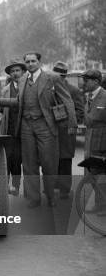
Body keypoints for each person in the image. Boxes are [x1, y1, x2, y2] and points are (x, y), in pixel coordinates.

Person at [0, 52, 77, 208]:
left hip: (45, 124)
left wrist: (72, 123)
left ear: (39, 62)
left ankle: (50, 195)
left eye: (33, 61)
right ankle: (33, 198)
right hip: (26, 126)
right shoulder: (22, 80)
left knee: (49, 162)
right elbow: (18, 101)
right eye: (27, 61)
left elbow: (67, 99)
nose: (30, 64)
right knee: (29, 164)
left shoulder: (52, 78)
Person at [52, 61, 85, 199]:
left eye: (61, 76)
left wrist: (67, 119)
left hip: (65, 131)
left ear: (64, 76)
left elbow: (80, 111)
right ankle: (54, 185)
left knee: (65, 160)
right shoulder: (47, 89)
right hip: (50, 130)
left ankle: (65, 189)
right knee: (51, 159)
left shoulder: (73, 90)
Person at [0, 58, 27, 196]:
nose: (15, 73)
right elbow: (0, 108)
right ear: (9, 74)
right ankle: (5, 186)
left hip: (23, 130)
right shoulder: (5, 90)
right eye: (12, 71)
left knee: (18, 160)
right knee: (6, 159)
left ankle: (16, 185)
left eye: (17, 70)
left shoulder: (27, 87)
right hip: (9, 129)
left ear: (22, 71)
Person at [80, 69, 106, 216]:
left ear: (96, 81)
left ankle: (104, 206)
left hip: (102, 140)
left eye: (87, 80)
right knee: (92, 174)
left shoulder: (105, 96)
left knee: (102, 175)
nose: (84, 82)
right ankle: (99, 204)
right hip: (90, 139)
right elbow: (88, 120)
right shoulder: (88, 96)